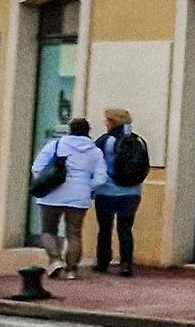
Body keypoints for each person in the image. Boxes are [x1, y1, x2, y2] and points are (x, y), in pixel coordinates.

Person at [30, 116, 109, 279]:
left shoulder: (56, 145)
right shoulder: (95, 151)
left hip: (52, 195)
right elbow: (101, 178)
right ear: (88, 132)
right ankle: (72, 269)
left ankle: (55, 259)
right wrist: (87, 186)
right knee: (74, 233)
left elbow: (37, 168)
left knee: (48, 230)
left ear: (70, 130)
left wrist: (47, 182)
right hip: (79, 196)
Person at [92, 107, 150, 275]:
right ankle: (126, 264)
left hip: (107, 191)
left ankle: (103, 262)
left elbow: (95, 162)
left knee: (105, 228)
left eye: (107, 120)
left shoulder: (106, 141)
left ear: (112, 122)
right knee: (125, 228)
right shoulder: (139, 140)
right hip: (132, 192)